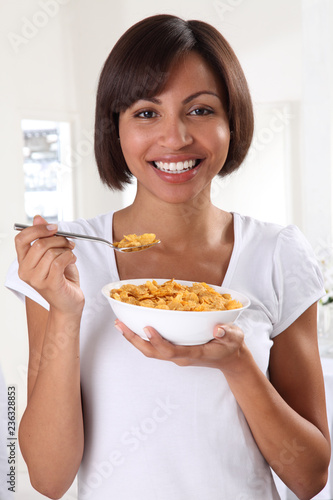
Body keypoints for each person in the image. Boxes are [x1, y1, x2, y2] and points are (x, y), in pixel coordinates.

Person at [5, 14, 330, 500]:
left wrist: (237, 363)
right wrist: (66, 312)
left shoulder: (278, 253)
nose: (175, 138)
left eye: (200, 111)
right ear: (114, 127)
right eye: (146, 113)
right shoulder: (68, 262)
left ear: (232, 120)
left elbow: (309, 478)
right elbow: (48, 479)